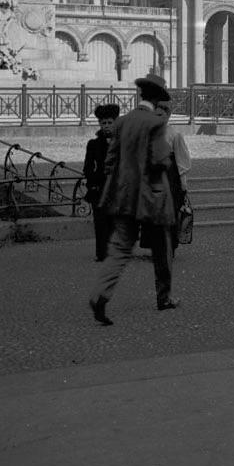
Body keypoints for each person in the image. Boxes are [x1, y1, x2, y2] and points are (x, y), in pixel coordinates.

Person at [88, 73, 179, 325]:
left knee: (118, 249)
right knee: (163, 249)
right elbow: (159, 159)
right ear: (158, 100)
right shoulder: (156, 123)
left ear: (140, 96)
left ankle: (100, 295)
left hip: (123, 195)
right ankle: (164, 297)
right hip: (152, 197)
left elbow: (110, 161)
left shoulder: (123, 122)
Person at [82, 103, 119, 262]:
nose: (107, 126)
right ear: (99, 124)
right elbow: (87, 167)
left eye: (110, 122)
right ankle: (102, 253)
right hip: (99, 188)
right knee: (100, 221)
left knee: (115, 222)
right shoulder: (94, 144)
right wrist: (93, 181)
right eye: (104, 123)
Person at [156, 100, 191, 253]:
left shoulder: (174, 135)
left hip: (170, 178)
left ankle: (169, 247)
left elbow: (182, 160)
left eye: (161, 115)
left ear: (168, 116)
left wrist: (183, 183)